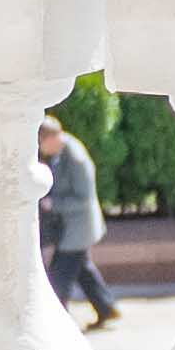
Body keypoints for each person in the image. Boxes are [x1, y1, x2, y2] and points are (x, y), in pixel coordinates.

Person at [37, 116, 120, 330]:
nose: (41, 149)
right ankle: (106, 308)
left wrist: (53, 204)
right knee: (83, 271)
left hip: (79, 228)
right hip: (72, 227)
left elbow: (84, 200)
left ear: (53, 137)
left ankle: (57, 324)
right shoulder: (61, 150)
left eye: (42, 143)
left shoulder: (75, 158)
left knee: (59, 276)